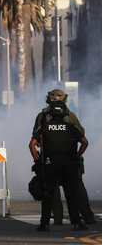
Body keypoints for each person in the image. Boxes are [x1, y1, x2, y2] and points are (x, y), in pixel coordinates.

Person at [32, 89, 96, 225]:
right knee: (77, 188)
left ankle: (58, 219)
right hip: (70, 159)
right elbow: (81, 133)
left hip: (49, 159)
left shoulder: (42, 116)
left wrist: (38, 160)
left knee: (52, 189)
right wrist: (76, 155)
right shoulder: (70, 116)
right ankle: (87, 217)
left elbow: (35, 139)